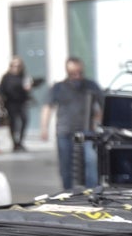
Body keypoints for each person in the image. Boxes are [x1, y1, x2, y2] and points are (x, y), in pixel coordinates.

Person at [41, 56, 105, 190]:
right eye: (73, 73)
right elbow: (47, 107)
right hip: (65, 131)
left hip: (87, 132)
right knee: (66, 165)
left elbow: (103, 106)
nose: (77, 76)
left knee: (91, 161)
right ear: (67, 72)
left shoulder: (91, 86)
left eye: (79, 73)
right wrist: (44, 128)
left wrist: (98, 121)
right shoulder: (58, 88)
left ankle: (92, 191)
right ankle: (68, 191)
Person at [0, 56, 31, 152]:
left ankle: (20, 141)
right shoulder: (6, 77)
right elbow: (1, 89)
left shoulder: (24, 76)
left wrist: (28, 89)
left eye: (19, 66)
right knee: (13, 123)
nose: (16, 68)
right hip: (10, 103)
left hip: (22, 102)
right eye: (14, 66)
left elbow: (27, 87)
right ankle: (14, 143)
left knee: (24, 120)